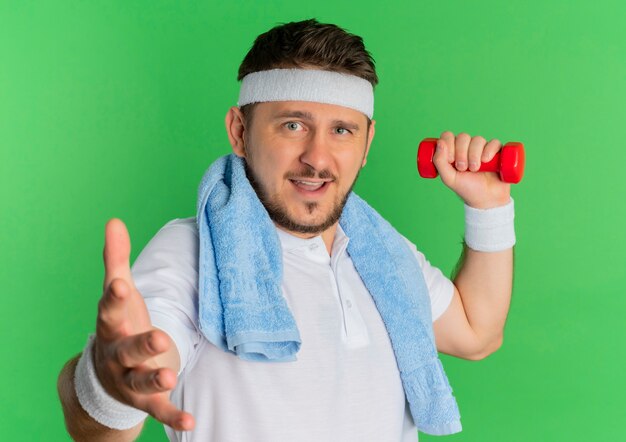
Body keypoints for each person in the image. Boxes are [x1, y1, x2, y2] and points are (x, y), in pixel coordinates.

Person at [57, 19, 515, 442]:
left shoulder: (385, 257)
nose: (317, 157)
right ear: (239, 132)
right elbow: (109, 412)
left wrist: (490, 207)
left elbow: (477, 332)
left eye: (341, 130)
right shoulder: (192, 253)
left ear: (367, 143)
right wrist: (109, 382)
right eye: (293, 125)